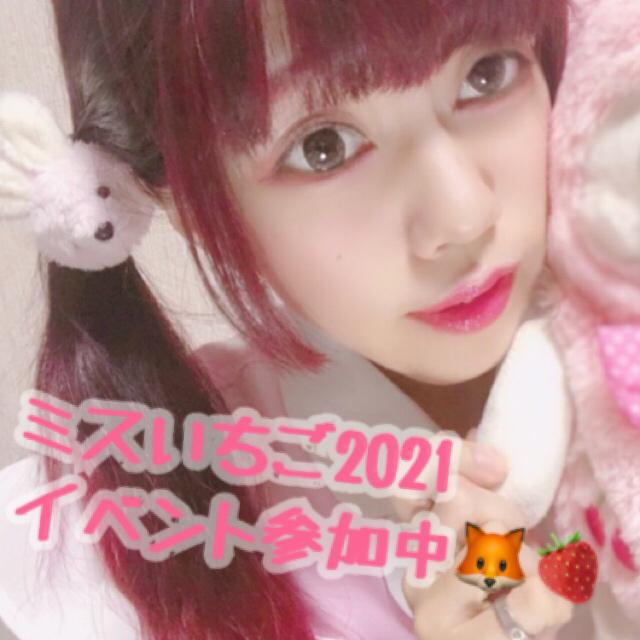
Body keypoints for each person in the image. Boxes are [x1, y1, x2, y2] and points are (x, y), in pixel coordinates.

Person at [0, 1, 573, 639]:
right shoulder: (96, 559)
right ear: (180, 199)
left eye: (486, 73)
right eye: (322, 147)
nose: (462, 216)